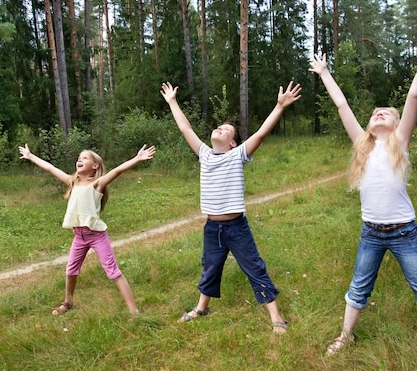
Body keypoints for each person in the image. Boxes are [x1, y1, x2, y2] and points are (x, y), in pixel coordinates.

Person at [309, 26, 417, 371]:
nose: (380, 113)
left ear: (397, 123)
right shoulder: (362, 145)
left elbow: (413, 95)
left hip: (403, 234)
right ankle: (345, 336)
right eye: (375, 113)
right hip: (371, 233)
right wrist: (324, 73)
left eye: (387, 112)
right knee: (358, 288)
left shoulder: (399, 142)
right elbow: (341, 104)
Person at [160, 80, 301, 334]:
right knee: (210, 266)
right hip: (212, 227)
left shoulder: (237, 155)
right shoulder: (204, 154)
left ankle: (276, 315)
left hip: (236, 228)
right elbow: (185, 128)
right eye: (218, 126)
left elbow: (260, 134)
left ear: (233, 143)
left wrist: (279, 107)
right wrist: (172, 101)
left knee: (254, 267)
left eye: (226, 129)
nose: (219, 128)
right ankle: (202, 308)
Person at [18, 143, 156, 316]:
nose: (79, 160)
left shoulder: (97, 184)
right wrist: (31, 156)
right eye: (78, 158)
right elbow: (50, 168)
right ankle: (68, 302)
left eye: (84, 158)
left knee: (112, 272)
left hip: (96, 235)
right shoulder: (72, 182)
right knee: (71, 270)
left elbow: (117, 171)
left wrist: (137, 159)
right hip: (79, 236)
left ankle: (133, 310)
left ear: (95, 166)